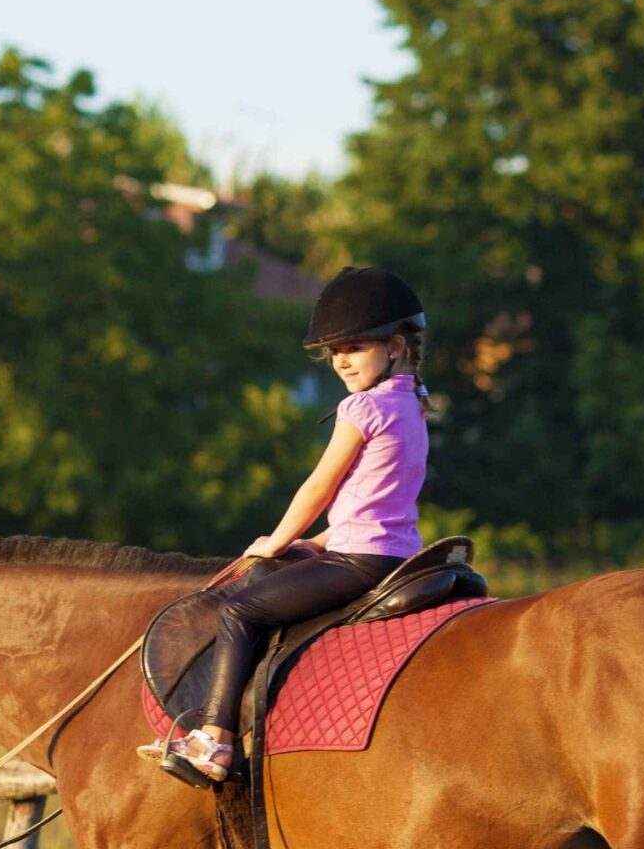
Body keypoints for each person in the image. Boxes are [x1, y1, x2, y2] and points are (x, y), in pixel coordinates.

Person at [144, 266, 431, 786]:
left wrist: (273, 542)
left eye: (355, 347)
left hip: (358, 561)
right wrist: (314, 542)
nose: (341, 360)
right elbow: (380, 498)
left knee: (237, 612)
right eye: (335, 351)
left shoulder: (363, 406)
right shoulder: (410, 404)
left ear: (394, 346)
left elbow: (320, 485)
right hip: (389, 552)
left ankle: (214, 742)